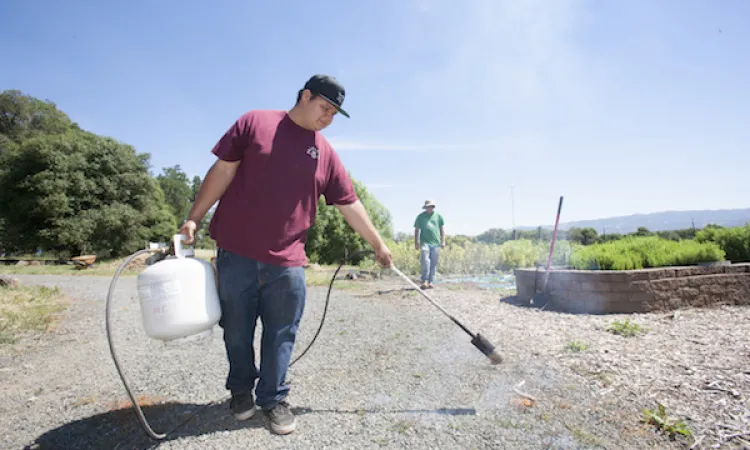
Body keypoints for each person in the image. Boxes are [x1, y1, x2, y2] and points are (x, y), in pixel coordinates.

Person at [178, 74, 393, 435]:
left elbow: (349, 202)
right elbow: (223, 170)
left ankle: (273, 398)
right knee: (236, 329)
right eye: (325, 108)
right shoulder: (255, 122)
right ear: (305, 96)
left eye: (335, 114)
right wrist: (193, 219)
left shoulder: (324, 152)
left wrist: (378, 243)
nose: (328, 118)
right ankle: (241, 391)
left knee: (281, 333)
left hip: (288, 260)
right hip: (237, 252)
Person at [413, 200, 445, 289]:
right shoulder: (420, 217)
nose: (429, 208)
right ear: (425, 207)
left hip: (435, 243)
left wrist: (443, 241)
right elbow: (416, 230)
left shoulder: (438, 216)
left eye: (430, 206)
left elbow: (442, 230)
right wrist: (416, 242)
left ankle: (431, 281)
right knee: (425, 261)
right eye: (427, 207)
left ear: (433, 207)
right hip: (424, 242)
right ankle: (424, 280)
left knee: (433, 263)